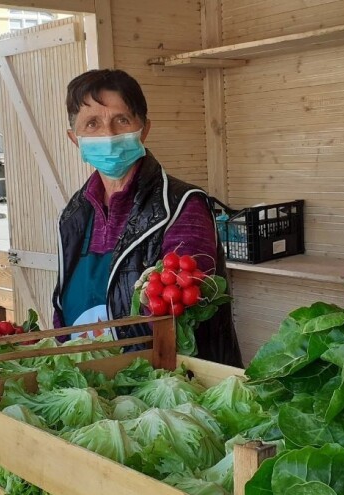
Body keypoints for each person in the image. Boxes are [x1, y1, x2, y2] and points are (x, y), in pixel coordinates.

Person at [51, 69, 243, 367]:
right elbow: (62, 308)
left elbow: (187, 301)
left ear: (144, 129)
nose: (108, 134)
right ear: (75, 139)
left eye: (122, 120)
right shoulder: (74, 214)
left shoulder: (182, 205)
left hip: (163, 384)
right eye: (92, 123)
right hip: (91, 380)